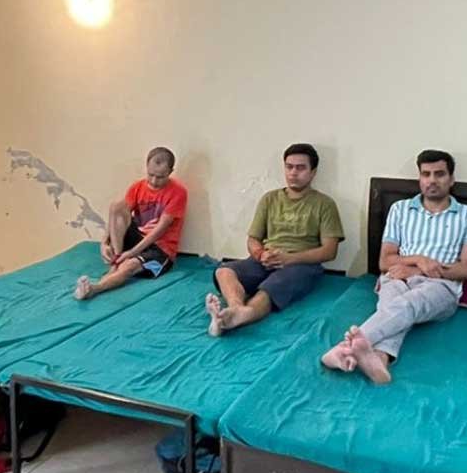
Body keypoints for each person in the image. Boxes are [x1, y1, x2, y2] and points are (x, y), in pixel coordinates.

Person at [322, 149, 467, 385]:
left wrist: (417, 270)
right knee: (393, 306)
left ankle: (343, 349)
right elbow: (385, 261)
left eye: (439, 174)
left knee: (406, 305)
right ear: (419, 178)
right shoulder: (400, 209)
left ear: (451, 179)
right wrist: (418, 259)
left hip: (442, 286)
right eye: (426, 174)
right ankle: (379, 360)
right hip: (397, 276)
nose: (432, 180)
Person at [206, 143, 344, 335]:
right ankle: (235, 308)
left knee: (271, 288)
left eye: (300, 168)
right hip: (266, 259)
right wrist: (260, 254)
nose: (293, 173)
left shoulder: (325, 204)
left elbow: (330, 251)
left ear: (313, 172)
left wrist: (289, 259)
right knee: (224, 271)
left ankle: (245, 314)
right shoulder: (269, 199)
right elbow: (253, 239)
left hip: (301, 265)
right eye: (289, 167)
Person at [75, 147, 187, 300]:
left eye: (160, 177)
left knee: (129, 266)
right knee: (116, 206)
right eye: (151, 175)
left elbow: (160, 230)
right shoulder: (138, 187)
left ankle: (94, 289)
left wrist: (132, 253)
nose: (154, 181)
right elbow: (116, 215)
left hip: (160, 248)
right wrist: (104, 243)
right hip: (138, 237)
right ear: (146, 167)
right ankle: (116, 261)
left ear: (170, 172)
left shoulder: (178, 192)